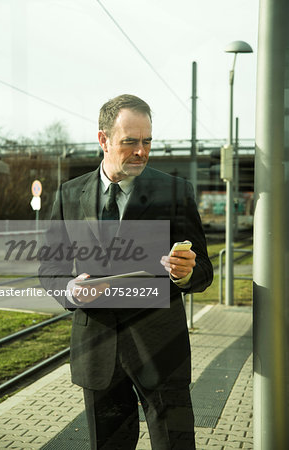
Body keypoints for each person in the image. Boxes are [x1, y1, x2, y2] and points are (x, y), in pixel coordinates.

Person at [39, 94, 213, 450]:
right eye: (130, 141)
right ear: (103, 140)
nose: (141, 151)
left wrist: (184, 273)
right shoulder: (70, 194)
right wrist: (71, 290)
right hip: (97, 352)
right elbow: (50, 267)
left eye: (147, 141)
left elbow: (204, 270)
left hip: (162, 350)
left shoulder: (176, 192)